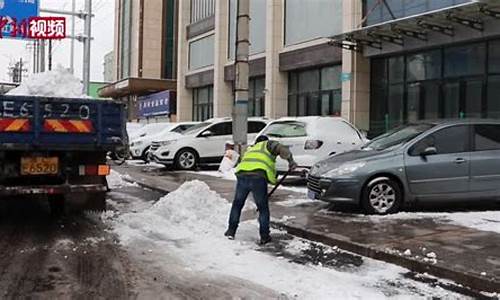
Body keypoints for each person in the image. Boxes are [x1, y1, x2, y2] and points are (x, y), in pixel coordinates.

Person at [224, 135, 297, 245]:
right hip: (257, 177)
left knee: (237, 204)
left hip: (242, 175)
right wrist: (291, 161)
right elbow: (283, 149)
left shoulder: (251, 148)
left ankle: (231, 231)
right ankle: (264, 236)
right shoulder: (268, 144)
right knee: (263, 208)